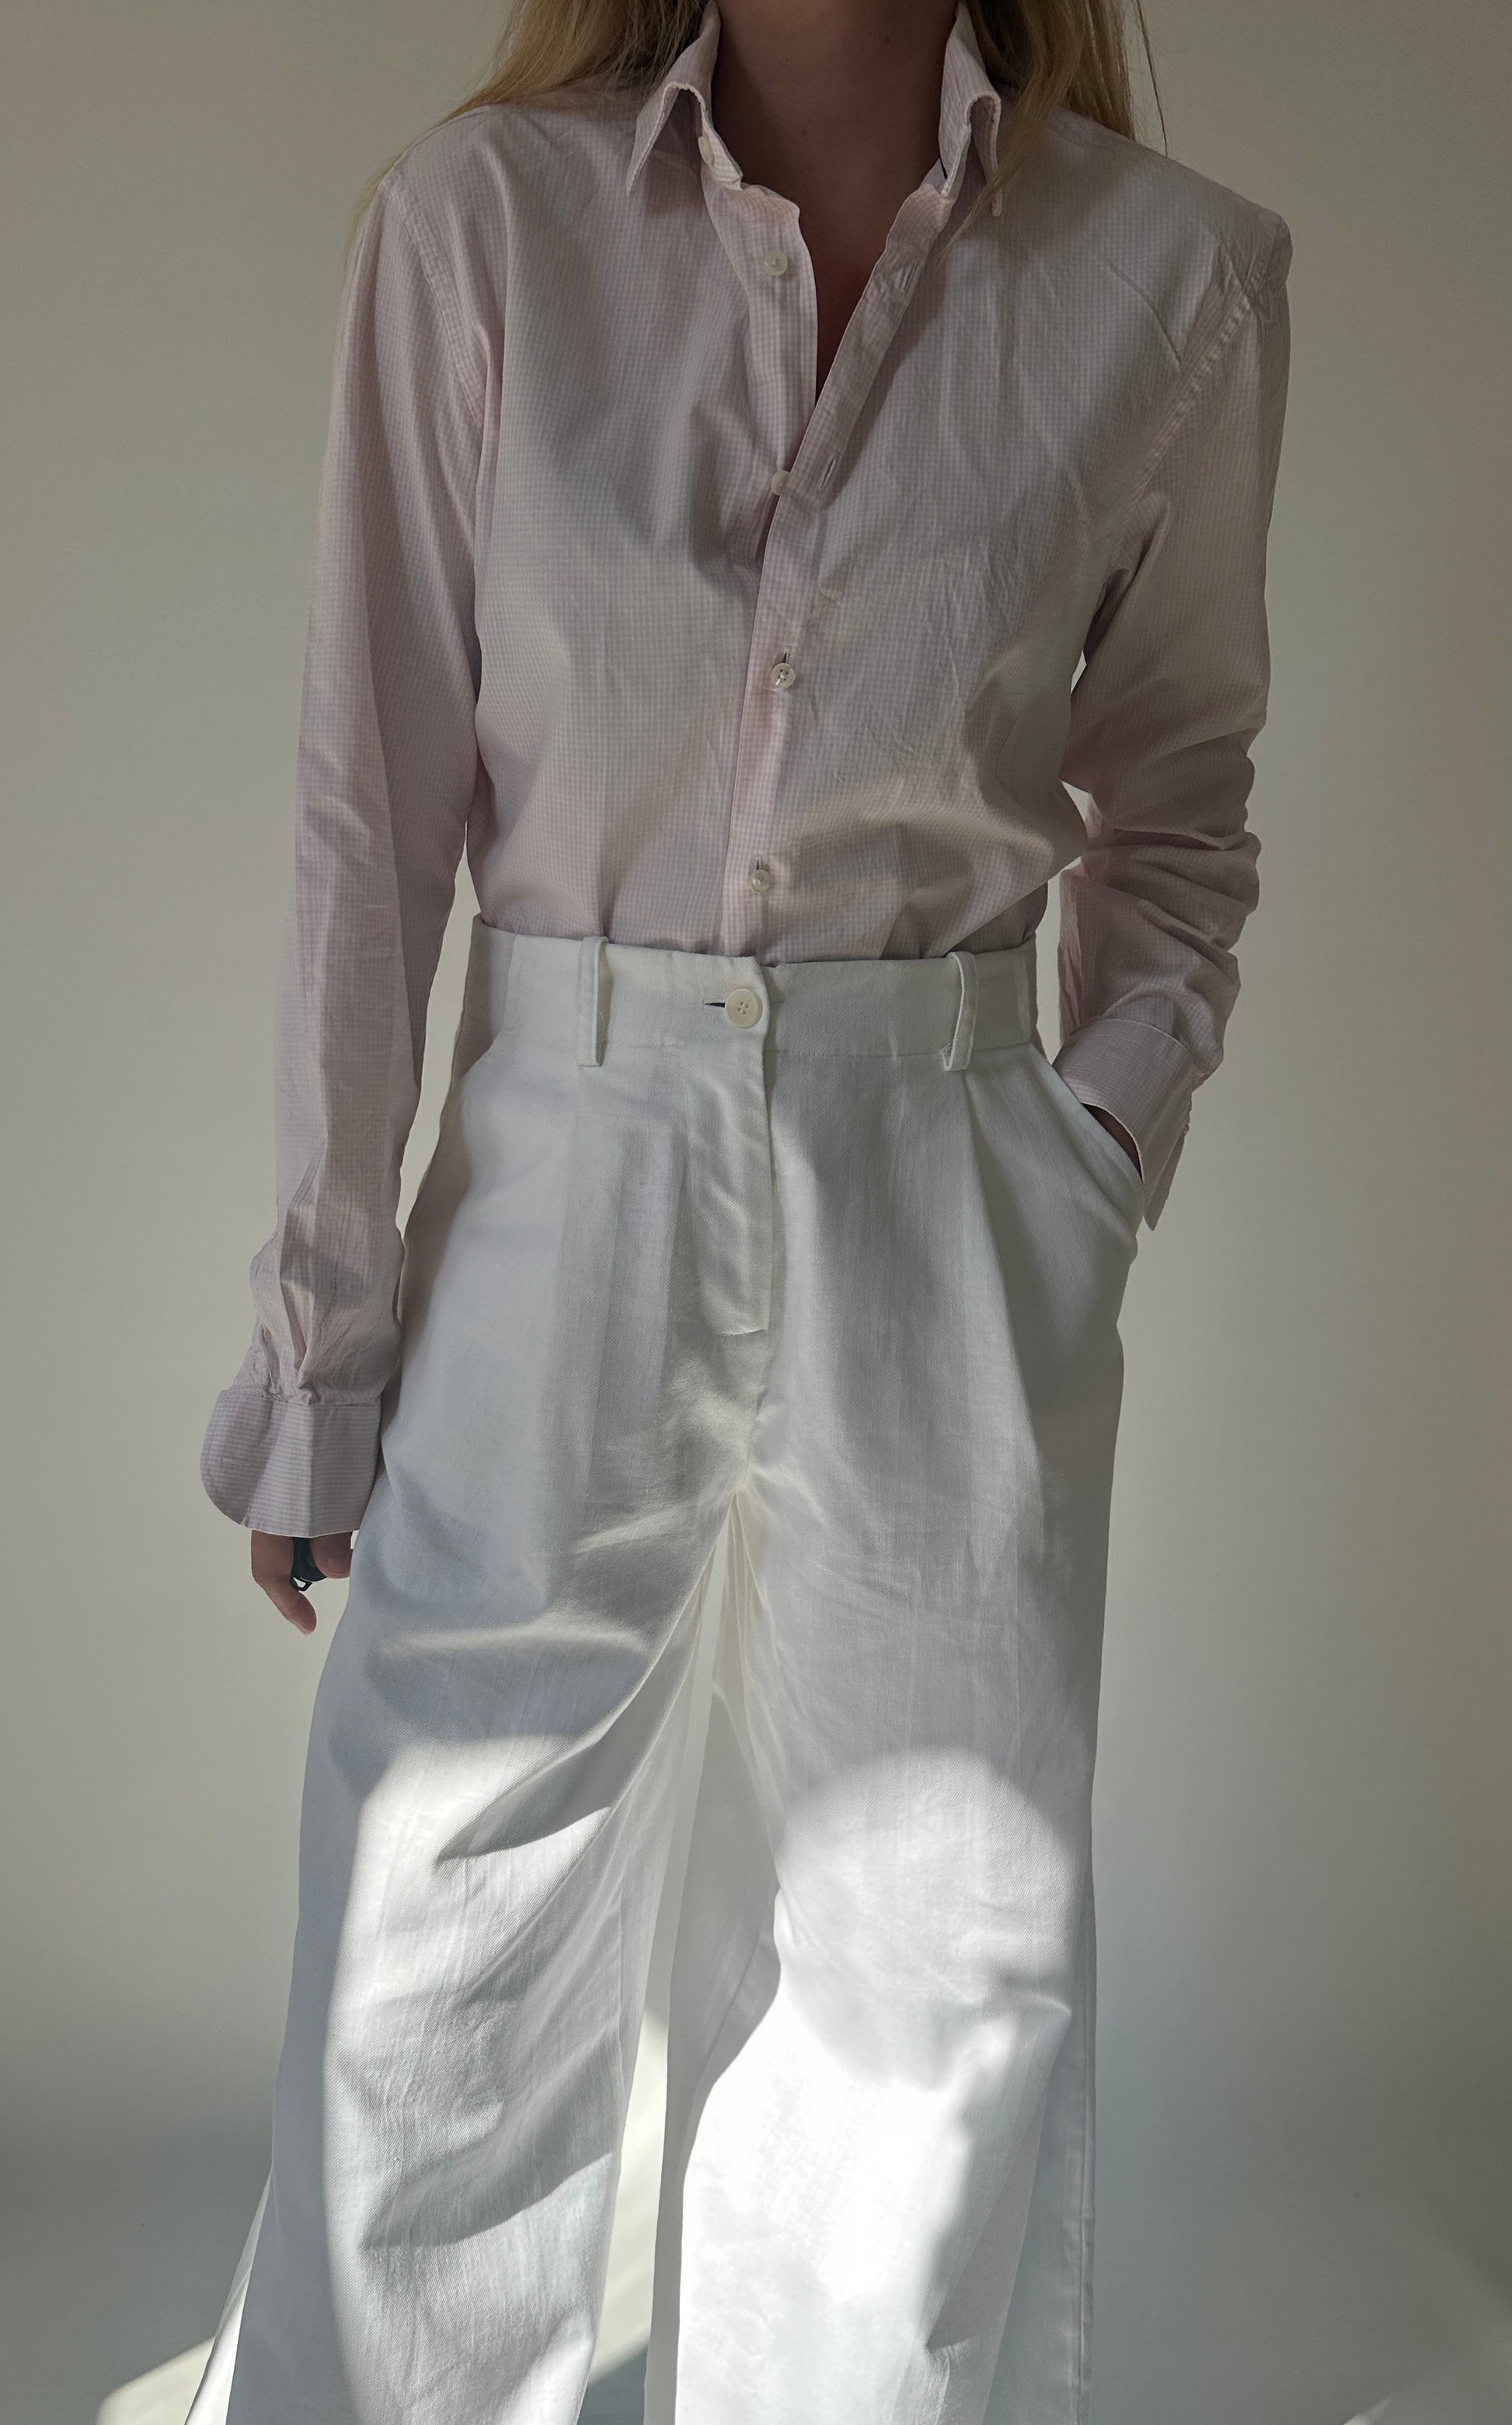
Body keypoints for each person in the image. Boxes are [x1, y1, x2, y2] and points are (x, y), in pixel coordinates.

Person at [189, 0, 1293, 2416]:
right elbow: (373, 807)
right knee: (428, 1960)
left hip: (947, 1164)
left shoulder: (1174, 276)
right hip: (561, 1152)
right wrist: (323, 1334)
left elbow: (1178, 799)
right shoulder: (482, 230)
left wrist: (1086, 1149)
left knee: (924, 1979)